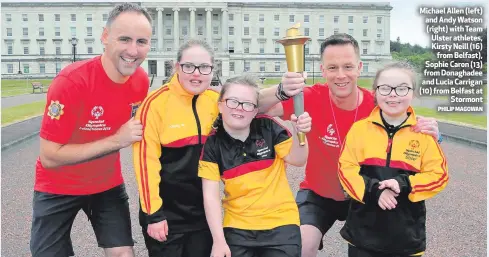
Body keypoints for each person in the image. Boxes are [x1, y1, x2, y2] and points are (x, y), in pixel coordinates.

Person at [258, 33, 441, 257]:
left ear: (359, 67)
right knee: (300, 246)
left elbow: (405, 121)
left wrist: (434, 133)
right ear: (323, 70)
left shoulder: (377, 103)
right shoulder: (309, 97)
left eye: (348, 66)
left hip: (366, 192)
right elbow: (254, 107)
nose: (341, 75)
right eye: (332, 68)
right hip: (320, 193)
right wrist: (281, 90)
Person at [30, 3, 152, 257]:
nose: (133, 50)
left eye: (141, 41)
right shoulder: (71, 82)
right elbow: (50, 157)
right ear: (105, 37)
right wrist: (115, 140)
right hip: (57, 186)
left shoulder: (140, 80)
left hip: (105, 184)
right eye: (125, 39)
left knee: (123, 254)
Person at [338, 61, 449, 257]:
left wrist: (403, 184)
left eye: (402, 88)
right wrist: (375, 192)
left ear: (413, 93)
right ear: (375, 92)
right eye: (385, 88)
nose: (393, 94)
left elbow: (439, 175)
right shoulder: (359, 130)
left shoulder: (423, 134)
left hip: (405, 238)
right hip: (362, 236)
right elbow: (345, 170)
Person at [198, 75, 312, 257]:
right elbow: (210, 196)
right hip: (237, 227)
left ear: (255, 110)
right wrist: (219, 241)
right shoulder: (212, 144)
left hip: (281, 223)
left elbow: (298, 160)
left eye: (247, 104)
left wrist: (301, 135)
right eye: (232, 102)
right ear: (219, 105)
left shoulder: (268, 126)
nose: (239, 109)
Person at [132, 39, 220, 257]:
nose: (196, 74)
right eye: (189, 66)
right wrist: (153, 215)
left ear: (212, 69)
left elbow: (249, 109)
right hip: (167, 215)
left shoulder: (217, 102)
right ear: (176, 67)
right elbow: (145, 164)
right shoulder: (154, 104)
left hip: (203, 215)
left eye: (204, 67)